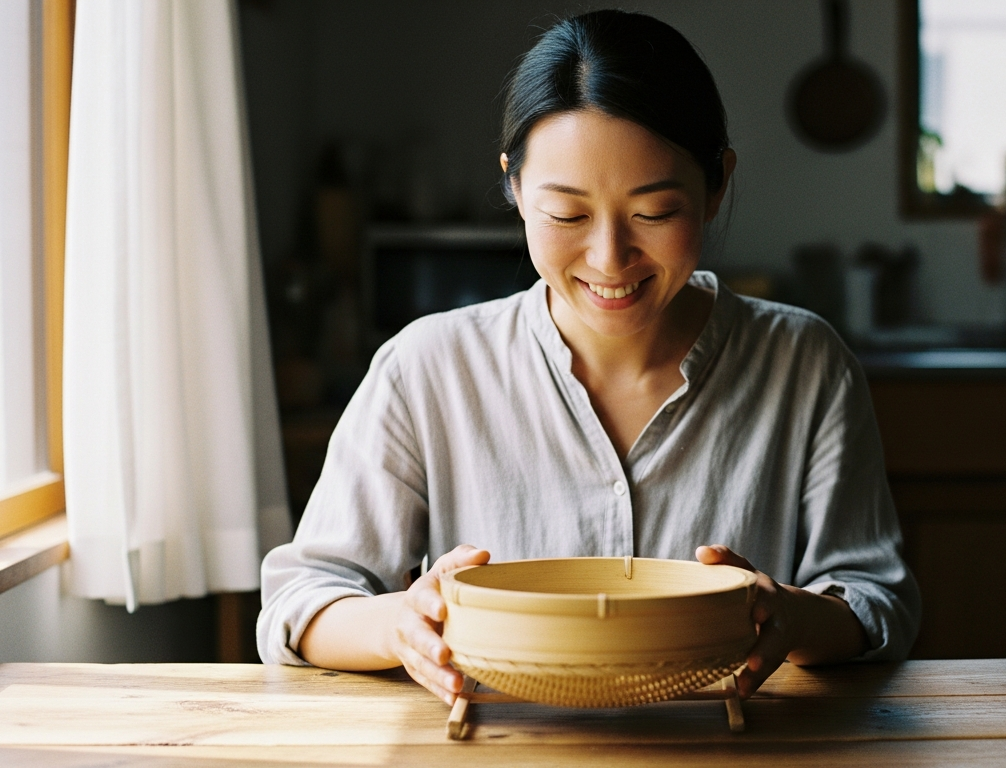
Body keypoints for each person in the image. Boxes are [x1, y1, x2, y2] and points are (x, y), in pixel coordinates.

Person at [257, 9, 919, 705]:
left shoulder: (803, 362)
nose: (609, 259)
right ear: (513, 186)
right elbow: (301, 602)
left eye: (655, 212)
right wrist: (400, 623)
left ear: (717, 183)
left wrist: (793, 614)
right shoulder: (428, 366)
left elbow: (878, 602)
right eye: (567, 215)